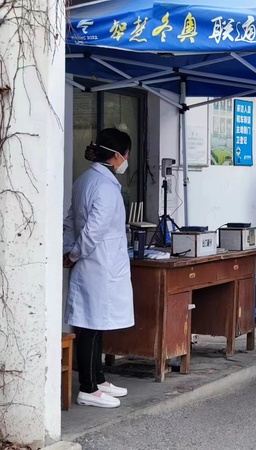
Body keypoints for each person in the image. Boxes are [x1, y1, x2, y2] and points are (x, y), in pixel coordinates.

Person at [63, 128, 135, 409]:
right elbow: (94, 230)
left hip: (94, 263)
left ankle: (99, 378)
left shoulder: (85, 179)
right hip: (98, 264)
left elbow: (70, 220)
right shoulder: (104, 186)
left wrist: (70, 249)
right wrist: (74, 254)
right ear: (117, 155)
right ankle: (88, 388)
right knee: (92, 327)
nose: (126, 159)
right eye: (126, 154)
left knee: (96, 324)